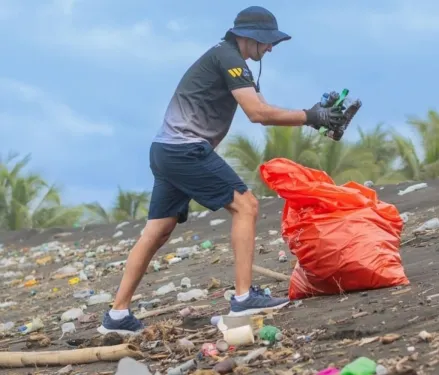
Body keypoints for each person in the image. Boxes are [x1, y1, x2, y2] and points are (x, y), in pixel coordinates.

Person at [97, 6, 346, 335]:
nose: (270, 48)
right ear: (249, 38)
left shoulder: (230, 60)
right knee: (246, 205)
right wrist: (311, 117)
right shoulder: (228, 57)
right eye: (267, 42)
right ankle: (243, 298)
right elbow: (257, 114)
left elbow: (265, 108)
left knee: (156, 232)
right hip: (185, 149)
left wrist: (316, 115)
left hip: (165, 151)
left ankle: (117, 316)